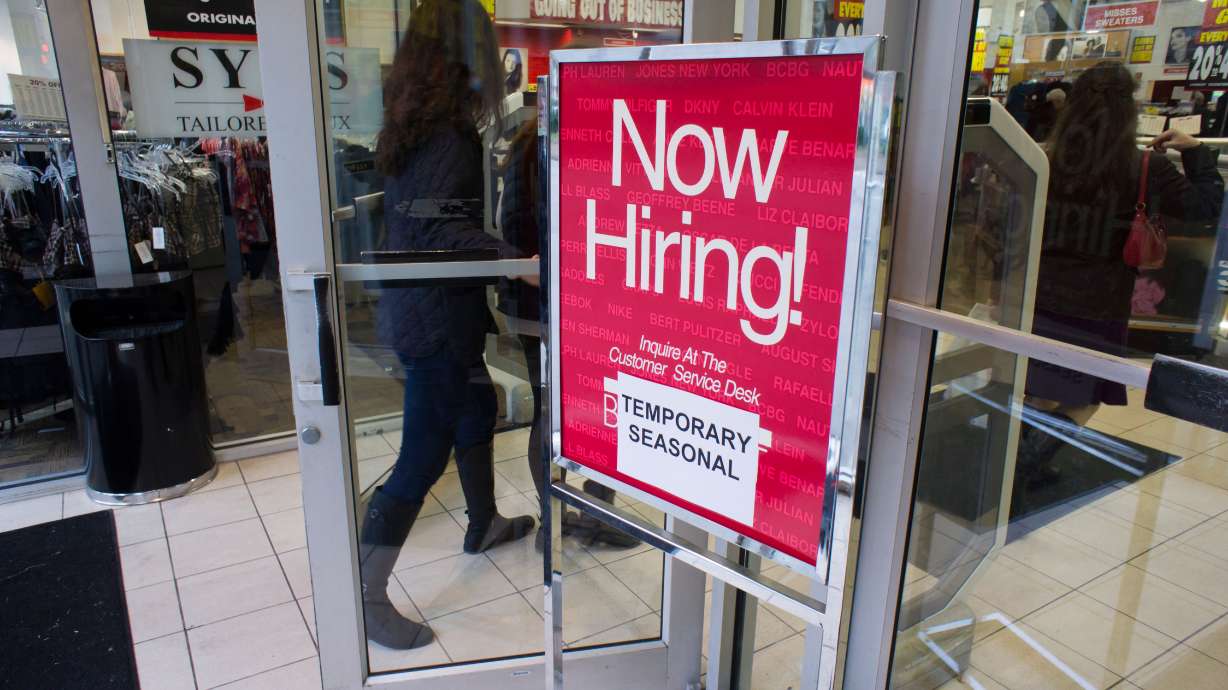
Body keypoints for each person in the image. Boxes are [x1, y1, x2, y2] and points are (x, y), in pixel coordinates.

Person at [361, 0, 537, 650]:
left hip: (428, 310)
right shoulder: (445, 135)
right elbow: (440, 227)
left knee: (476, 406)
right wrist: (520, 263)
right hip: (434, 318)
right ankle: (367, 595)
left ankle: (483, 521)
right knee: (422, 452)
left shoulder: (419, 122)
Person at [1020, 62, 1223, 484]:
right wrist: (1195, 150)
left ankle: (1016, 462)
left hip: (1039, 297)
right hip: (1100, 305)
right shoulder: (1147, 168)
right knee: (1088, 393)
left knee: (1037, 388)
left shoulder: (1043, 159)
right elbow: (1208, 206)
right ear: (1128, 112)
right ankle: (1032, 462)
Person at [497, 120, 639, 551]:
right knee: (601, 409)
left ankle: (552, 521)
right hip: (576, 305)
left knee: (548, 411)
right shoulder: (588, 140)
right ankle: (595, 515)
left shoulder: (522, 146)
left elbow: (509, 223)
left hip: (530, 305)